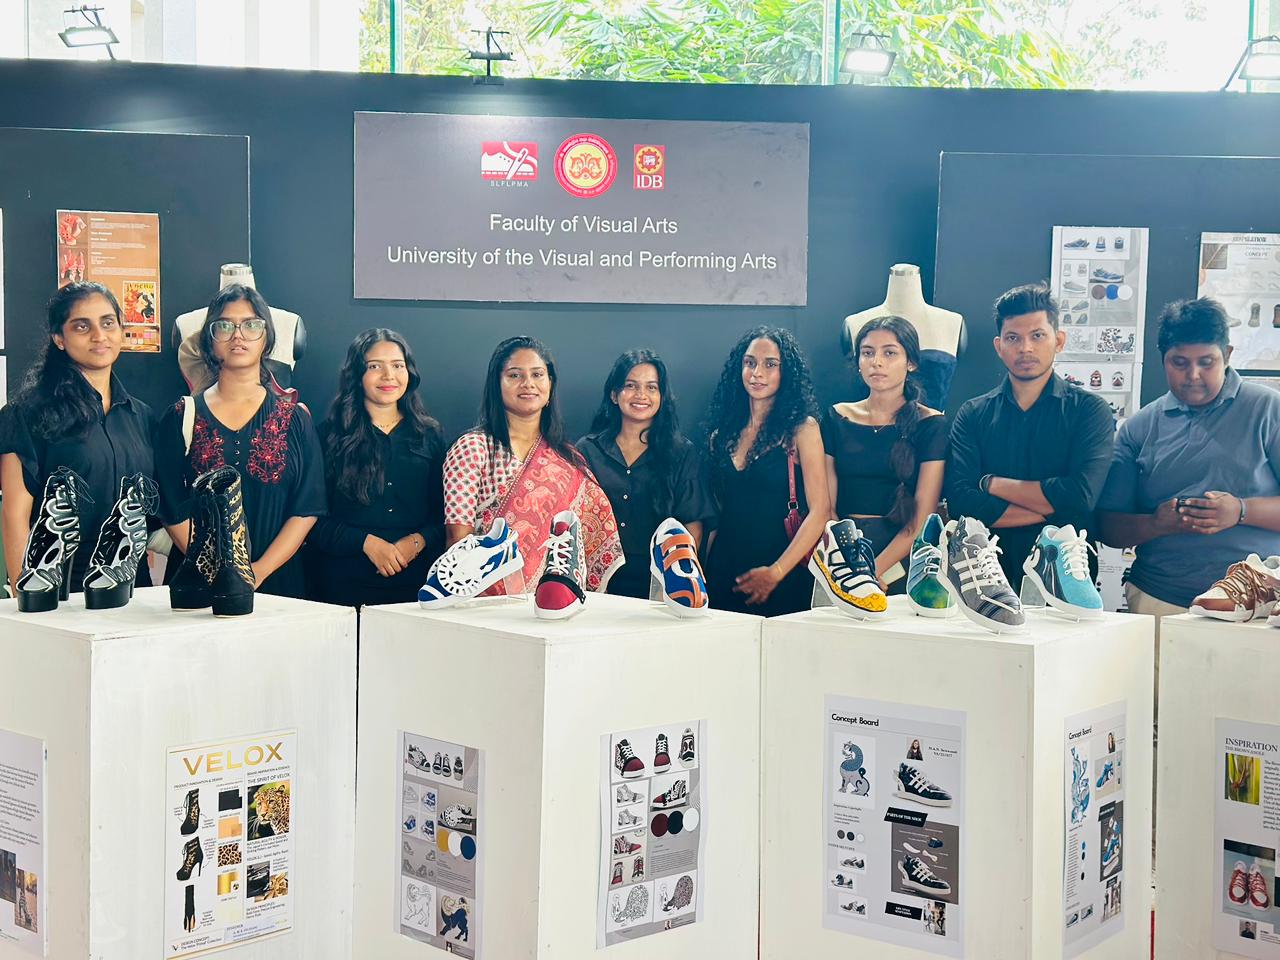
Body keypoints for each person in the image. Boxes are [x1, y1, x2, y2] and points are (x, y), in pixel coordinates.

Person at [1098, 298, 1280, 617]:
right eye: (1179, 363)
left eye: (1206, 362)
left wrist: (1240, 510)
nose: (1193, 375)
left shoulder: (1268, 410)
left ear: (1227, 355)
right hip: (1159, 597)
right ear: (1163, 360)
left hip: (1257, 603)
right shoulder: (1139, 427)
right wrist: (1156, 524)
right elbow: (1109, 527)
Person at [155, 284, 325, 598]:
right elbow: (171, 506)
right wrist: (220, 570)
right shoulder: (181, 416)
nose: (238, 335)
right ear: (209, 339)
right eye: (225, 326)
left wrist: (257, 571)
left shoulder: (295, 420)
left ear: (266, 337)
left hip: (277, 584)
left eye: (251, 325)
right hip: (201, 584)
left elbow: (306, 507)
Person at [946, 283, 1115, 585]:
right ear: (999, 346)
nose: (1025, 348)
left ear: (1058, 340)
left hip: (1065, 575)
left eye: (1037, 336)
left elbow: (1080, 497)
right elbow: (961, 502)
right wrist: (1054, 512)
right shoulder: (972, 414)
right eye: (1013, 338)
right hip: (984, 574)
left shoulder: (1089, 411)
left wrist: (990, 483)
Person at [0, 282, 156, 596]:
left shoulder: (142, 416)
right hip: (60, 591)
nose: (99, 336)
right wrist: (25, 598)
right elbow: (14, 515)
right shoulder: (25, 414)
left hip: (132, 589)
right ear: (59, 338)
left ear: (121, 330)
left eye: (108, 323)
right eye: (82, 326)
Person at [442, 336, 622, 591]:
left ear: (550, 385)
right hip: (483, 599)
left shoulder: (568, 458)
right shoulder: (473, 448)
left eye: (537, 374)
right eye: (515, 375)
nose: (528, 383)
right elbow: (458, 541)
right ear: (497, 384)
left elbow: (589, 542)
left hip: (554, 600)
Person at [307, 329, 444, 607]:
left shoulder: (430, 435)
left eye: (397, 366)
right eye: (374, 367)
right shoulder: (327, 436)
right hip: (341, 586)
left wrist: (417, 542)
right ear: (356, 374)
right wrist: (368, 544)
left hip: (417, 585)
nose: (388, 376)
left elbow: (445, 516)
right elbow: (310, 519)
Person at [703, 326, 829, 616]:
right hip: (724, 571)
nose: (757, 373)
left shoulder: (802, 430)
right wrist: (704, 570)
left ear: (787, 373)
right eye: (750, 363)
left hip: (782, 574)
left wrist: (776, 572)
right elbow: (716, 515)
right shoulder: (721, 436)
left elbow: (820, 511)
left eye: (770, 364)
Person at [578, 350, 716, 599]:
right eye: (631, 386)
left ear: (662, 396)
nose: (641, 395)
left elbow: (693, 524)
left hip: (660, 580)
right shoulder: (588, 450)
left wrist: (678, 578)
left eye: (651, 387)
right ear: (614, 394)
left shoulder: (681, 453)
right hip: (598, 582)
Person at [823, 317, 947, 591]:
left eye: (889, 353)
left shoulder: (931, 424)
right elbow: (826, 507)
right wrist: (848, 563)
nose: (876, 362)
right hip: (842, 554)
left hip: (899, 558)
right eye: (867, 353)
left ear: (910, 363)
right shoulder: (836, 417)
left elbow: (921, 518)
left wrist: (872, 571)